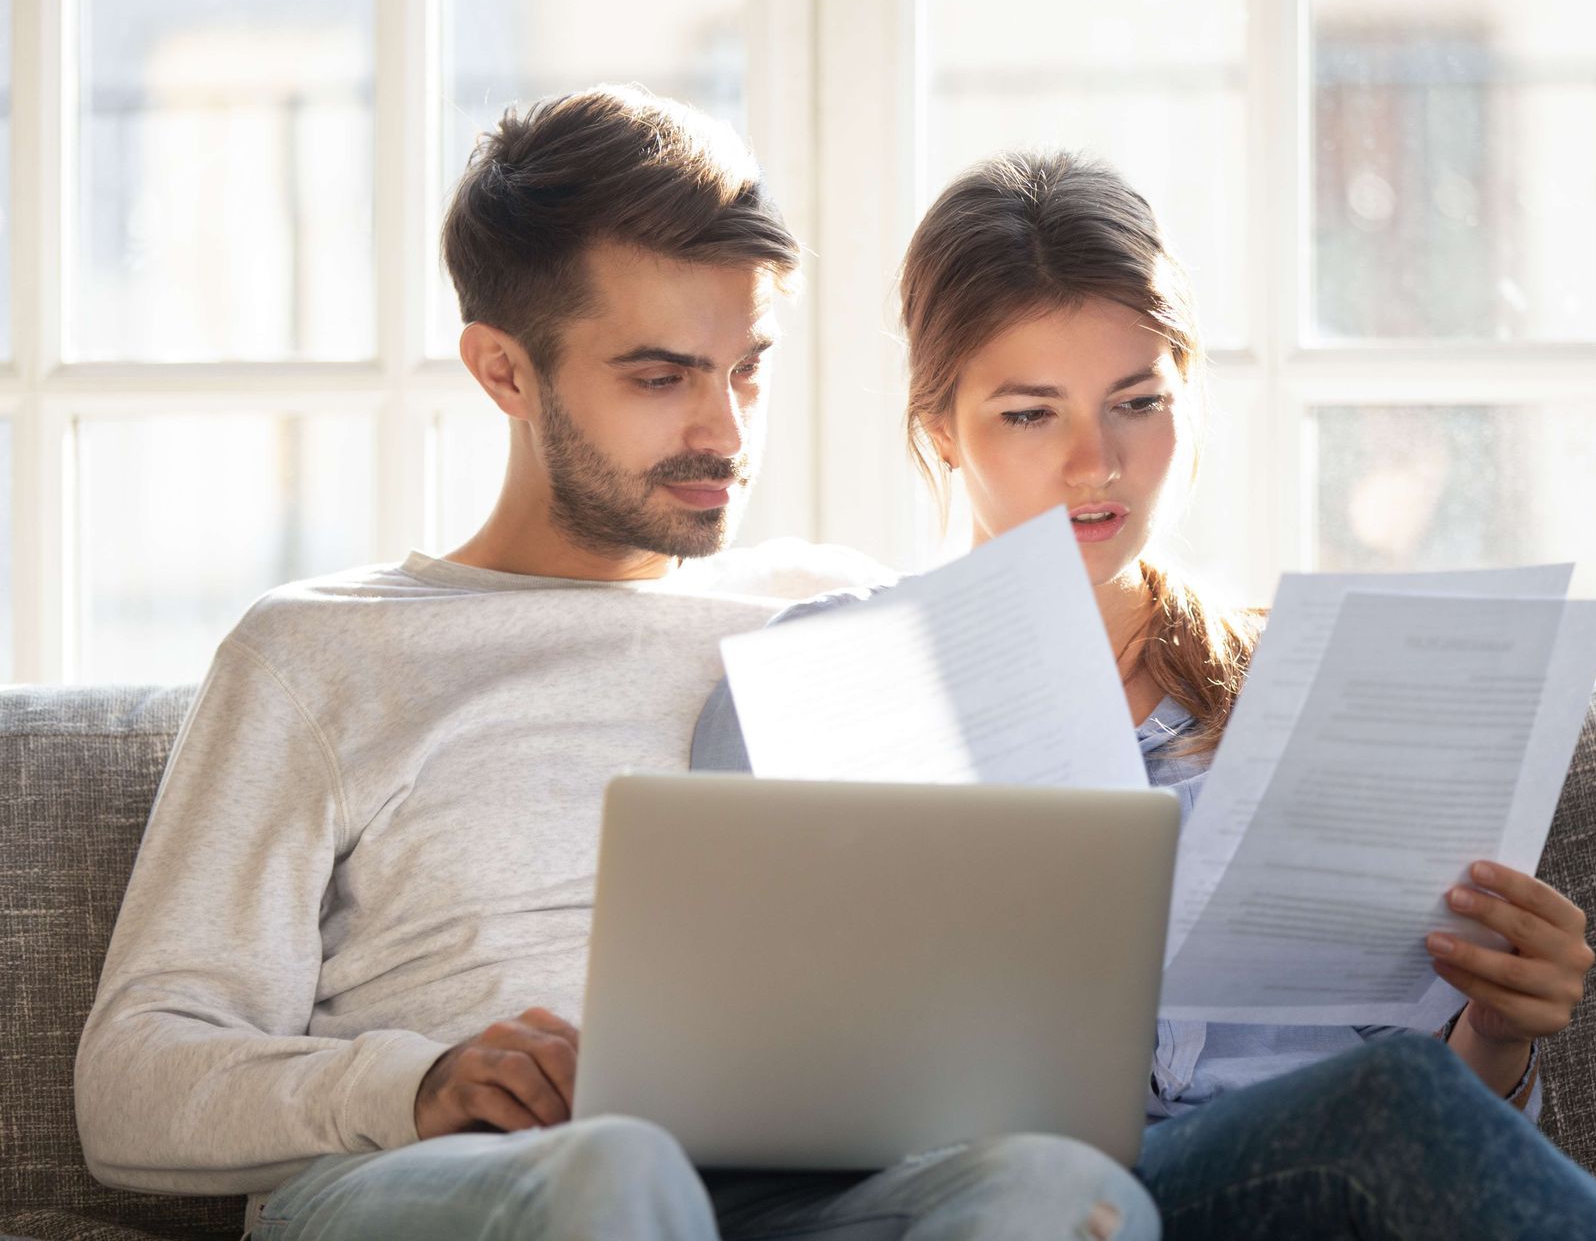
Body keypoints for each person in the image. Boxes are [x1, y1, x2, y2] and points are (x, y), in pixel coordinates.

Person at [75, 91, 1156, 1241]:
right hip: (451, 1177)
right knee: (617, 1172)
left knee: (1058, 1187)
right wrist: (419, 1080)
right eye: (660, 377)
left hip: (791, 1185)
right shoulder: (319, 653)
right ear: (503, 371)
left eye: (748, 368)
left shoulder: (835, 611)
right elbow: (132, 1083)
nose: (727, 433)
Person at [692, 151, 1596, 1241]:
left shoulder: (1300, 682)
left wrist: (1498, 1030)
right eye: (1028, 414)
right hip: (1012, 1195)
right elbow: (745, 1072)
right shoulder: (819, 682)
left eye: (1137, 402)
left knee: (1393, 1098)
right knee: (1375, 1106)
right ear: (939, 431)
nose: (1093, 462)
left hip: (1295, 1184)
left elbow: (1447, 1128)